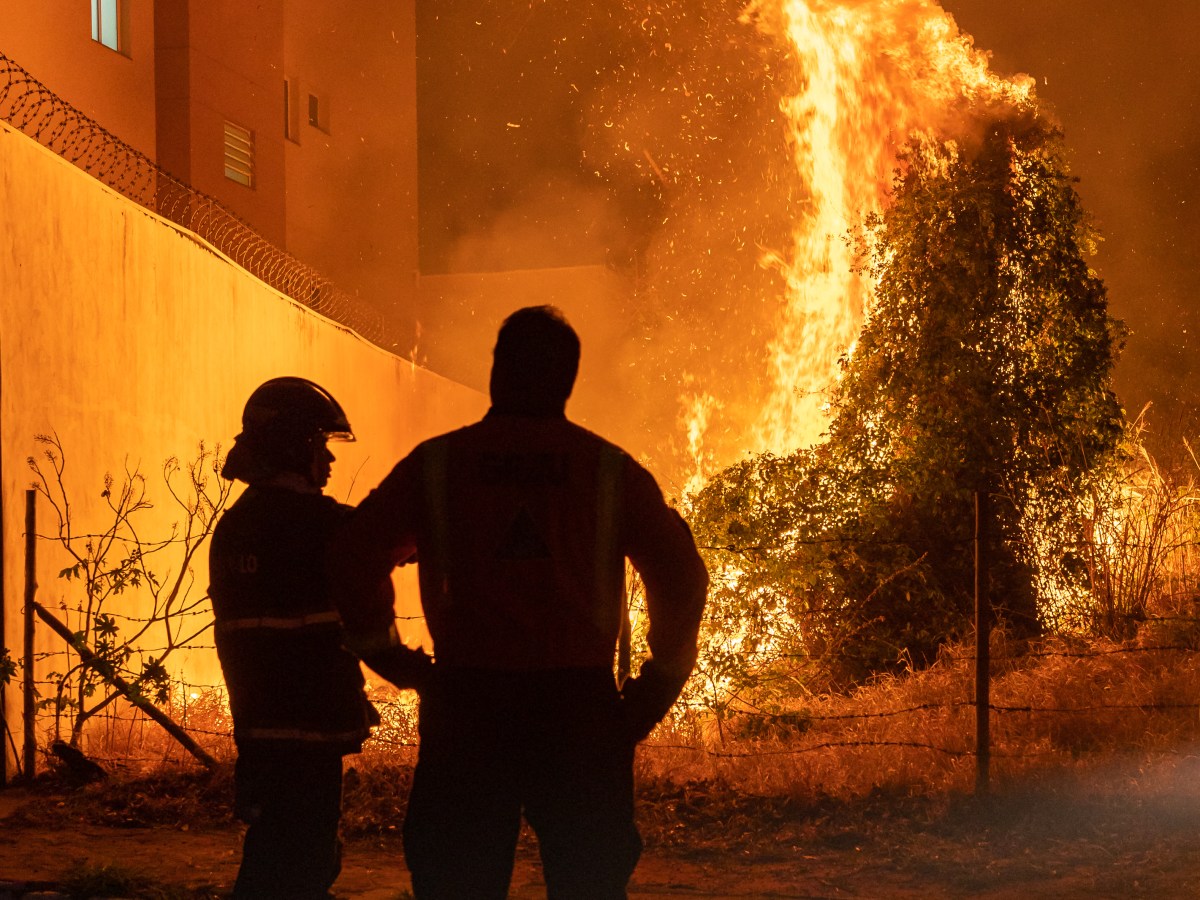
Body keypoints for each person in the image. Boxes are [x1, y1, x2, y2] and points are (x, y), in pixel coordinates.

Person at [330, 306, 709, 899]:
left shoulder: (439, 465)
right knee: (589, 883)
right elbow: (680, 574)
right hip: (579, 713)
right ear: (568, 379)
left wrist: (391, 658)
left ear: (497, 370)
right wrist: (657, 685)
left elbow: (355, 556)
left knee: (458, 882)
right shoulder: (607, 469)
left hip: (469, 708)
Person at [209, 376, 429, 899]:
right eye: (320, 446)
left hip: (260, 728)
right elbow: (391, 542)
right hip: (309, 724)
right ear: (295, 445)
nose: (329, 462)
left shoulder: (234, 527)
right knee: (302, 860)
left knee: (274, 853)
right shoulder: (321, 524)